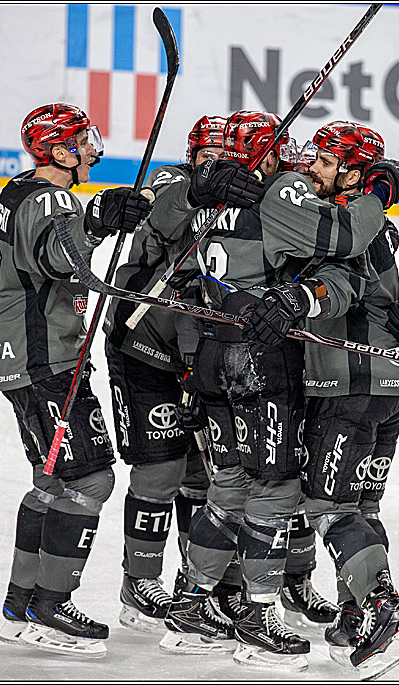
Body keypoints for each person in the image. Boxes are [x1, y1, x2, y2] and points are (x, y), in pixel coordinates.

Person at [153, 109, 399, 672]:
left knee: (230, 486)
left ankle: (191, 603)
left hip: (212, 354)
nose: (299, 162)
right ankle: (256, 614)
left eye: (317, 157)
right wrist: (380, 192)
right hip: (262, 363)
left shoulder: (211, 201)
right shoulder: (283, 196)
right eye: (292, 153)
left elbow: (175, 250)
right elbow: (344, 241)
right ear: (265, 157)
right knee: (276, 489)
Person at [0, 103, 152, 658]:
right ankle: (52, 606)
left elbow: (53, 249)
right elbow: (59, 261)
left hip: (23, 358)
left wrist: (94, 221)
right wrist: (99, 221)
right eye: (84, 140)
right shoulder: (52, 198)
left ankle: (19, 604)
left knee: (52, 480)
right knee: (91, 480)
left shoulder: (19, 190)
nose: (93, 148)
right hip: (46, 364)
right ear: (59, 151)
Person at [296, 121, 399, 678]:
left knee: (328, 506)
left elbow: (340, 287)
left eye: (325, 161)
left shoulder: (343, 224)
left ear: (353, 172)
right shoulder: (369, 220)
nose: (312, 167)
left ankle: (385, 611)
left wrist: (300, 298)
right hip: (391, 384)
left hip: (349, 382)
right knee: (362, 507)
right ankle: (356, 615)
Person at [103, 114, 263, 633]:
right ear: (191, 155)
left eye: (225, 158)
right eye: (205, 157)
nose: (214, 164)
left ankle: (199, 587)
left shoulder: (248, 198)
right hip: (145, 346)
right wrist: (199, 190)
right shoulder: (172, 183)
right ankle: (139, 579)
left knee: (208, 476)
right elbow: (163, 219)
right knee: (161, 468)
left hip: (204, 354)